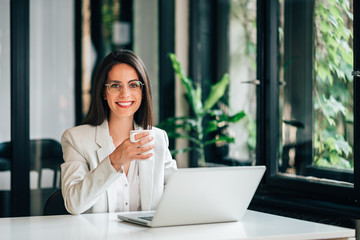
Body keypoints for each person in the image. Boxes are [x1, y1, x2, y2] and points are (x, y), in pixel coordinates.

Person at [61, 49, 177, 214]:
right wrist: (113, 162)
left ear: (143, 92)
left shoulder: (157, 138)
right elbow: (73, 204)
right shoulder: (75, 139)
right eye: (115, 85)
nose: (125, 93)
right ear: (103, 92)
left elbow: (179, 193)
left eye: (133, 85)